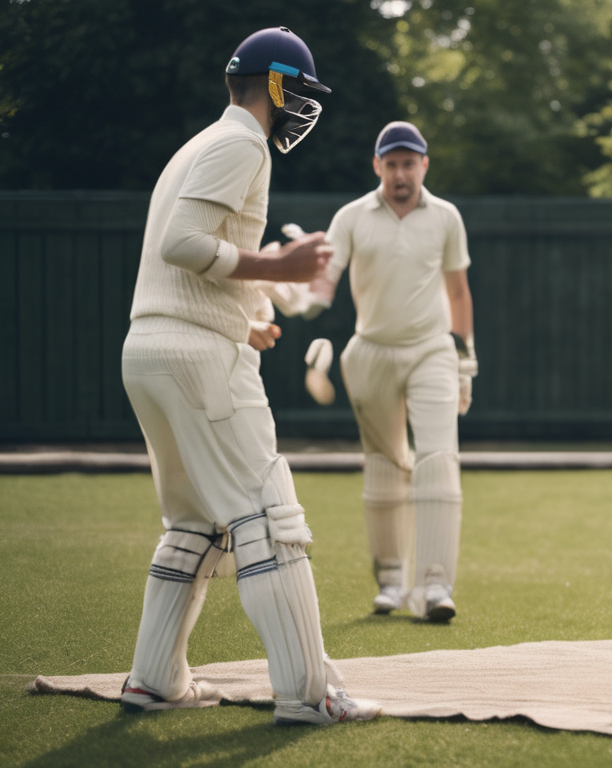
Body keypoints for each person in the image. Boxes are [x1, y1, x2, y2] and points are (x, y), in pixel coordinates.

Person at [118, 27, 380, 723]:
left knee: (196, 521)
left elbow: (192, 254)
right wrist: (278, 269)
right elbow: (183, 245)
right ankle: (309, 692)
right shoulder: (242, 143)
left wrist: (248, 312)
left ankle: (155, 680)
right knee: (267, 514)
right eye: (298, 92)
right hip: (198, 358)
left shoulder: (198, 145)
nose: (302, 108)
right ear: (272, 86)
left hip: (151, 349)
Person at [309, 120, 477, 621]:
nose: (400, 173)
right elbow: (325, 282)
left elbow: (459, 293)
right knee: (384, 466)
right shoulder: (351, 217)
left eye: (409, 163)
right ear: (377, 165)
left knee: (437, 459)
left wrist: (466, 361)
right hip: (372, 352)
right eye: (392, 163)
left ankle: (435, 587)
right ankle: (391, 581)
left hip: (432, 350)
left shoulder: (446, 216)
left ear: (424, 165)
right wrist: (303, 299)